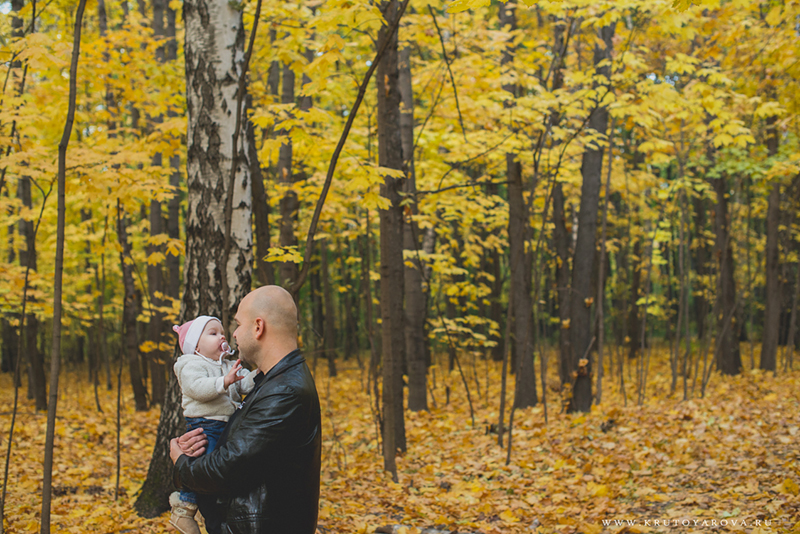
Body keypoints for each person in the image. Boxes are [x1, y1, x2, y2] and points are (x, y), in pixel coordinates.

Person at [170, 286, 322, 534]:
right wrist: (198, 445)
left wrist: (181, 463)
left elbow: (227, 470)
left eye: (238, 324)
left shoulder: (284, 391)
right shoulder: (274, 380)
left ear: (258, 327)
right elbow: (243, 448)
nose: (234, 334)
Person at [169, 315, 257, 534]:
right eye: (213, 333)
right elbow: (196, 388)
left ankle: (207, 507)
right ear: (196, 345)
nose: (222, 336)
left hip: (227, 425)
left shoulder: (227, 364)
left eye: (222, 332)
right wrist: (224, 382)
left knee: (222, 468)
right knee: (202, 464)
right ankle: (184, 510)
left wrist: (261, 372)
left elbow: (246, 383)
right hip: (204, 425)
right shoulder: (189, 364)